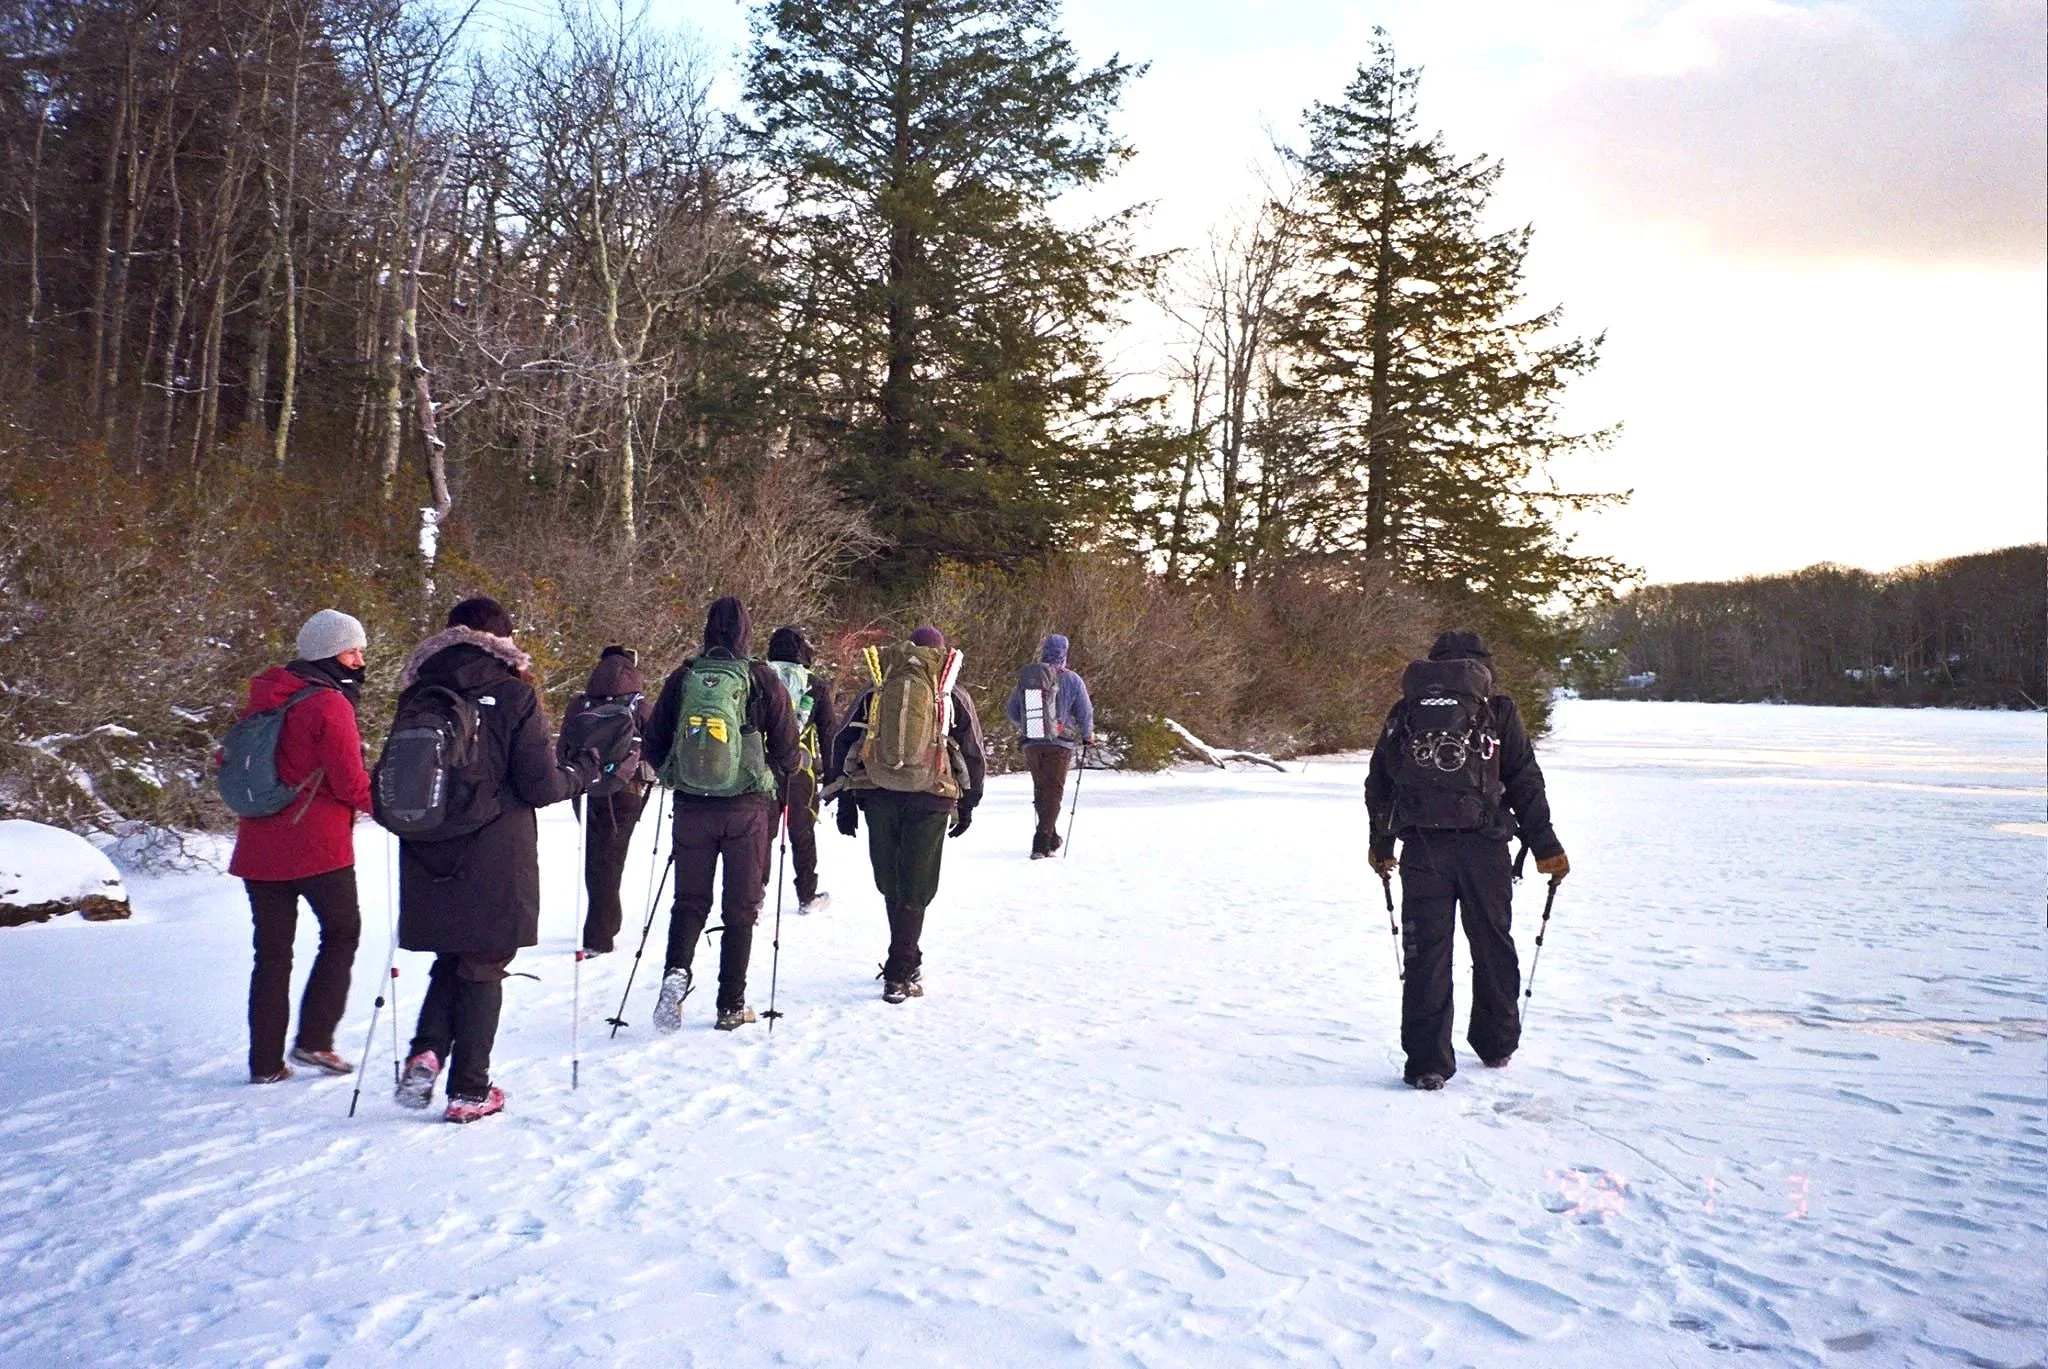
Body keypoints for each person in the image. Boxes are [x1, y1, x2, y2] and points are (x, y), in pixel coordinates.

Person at [389, 597, 599, 1122]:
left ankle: (427, 1051)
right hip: (494, 850)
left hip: (426, 846)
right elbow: (539, 784)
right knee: (483, 963)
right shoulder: (513, 694)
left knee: (451, 956)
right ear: (503, 640)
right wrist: (583, 774)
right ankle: (470, 1090)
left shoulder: (417, 694)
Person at [1365, 630, 1569, 1091]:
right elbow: (1525, 782)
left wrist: (1382, 845)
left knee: (1427, 954)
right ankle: (1496, 1044)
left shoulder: (1406, 711)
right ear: (1483, 666)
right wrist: (1546, 847)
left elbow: (1379, 782)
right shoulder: (1498, 711)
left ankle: (1427, 1063)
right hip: (1486, 849)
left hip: (1422, 850)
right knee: (1492, 945)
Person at [227, 609, 375, 1084]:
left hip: (258, 846)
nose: (359, 660)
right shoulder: (330, 705)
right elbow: (351, 782)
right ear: (329, 653)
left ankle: (265, 1063)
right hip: (317, 847)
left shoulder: (267, 696)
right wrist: (397, 812)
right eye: (352, 651)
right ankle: (315, 1040)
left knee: (271, 955)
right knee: (342, 932)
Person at [641, 597, 800, 1033]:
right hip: (746, 809)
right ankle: (730, 1003)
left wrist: (677, 772)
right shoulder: (761, 678)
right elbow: (788, 750)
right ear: (747, 632)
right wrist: (776, 770)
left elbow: (653, 744)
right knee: (741, 908)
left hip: (691, 807)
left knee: (689, 901)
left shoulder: (684, 677)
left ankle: (676, 974)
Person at [831, 625, 986, 1003]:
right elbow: (973, 753)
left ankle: (905, 957)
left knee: (892, 878)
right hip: (931, 797)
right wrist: (968, 803)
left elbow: (843, 740)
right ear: (939, 654)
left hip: (878, 793)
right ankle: (900, 972)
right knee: (916, 883)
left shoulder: (878, 689)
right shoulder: (951, 695)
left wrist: (845, 800)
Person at [562, 645, 656, 956]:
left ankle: (600, 925)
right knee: (612, 859)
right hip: (626, 791)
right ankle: (599, 935)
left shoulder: (580, 703)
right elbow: (657, 744)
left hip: (585, 790)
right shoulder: (639, 704)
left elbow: (563, 751)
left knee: (595, 856)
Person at [766, 627, 839, 915]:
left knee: (762, 833)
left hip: (764, 768)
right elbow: (829, 733)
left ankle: (755, 895)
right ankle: (807, 895)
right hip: (801, 771)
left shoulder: (760, 677)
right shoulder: (815, 685)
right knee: (802, 832)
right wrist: (832, 778)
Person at [1004, 632, 1095, 858]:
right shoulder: (1072, 679)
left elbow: (1012, 710)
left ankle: (1051, 838)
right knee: (1053, 791)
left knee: (1041, 788)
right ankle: (1041, 841)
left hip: (1032, 742)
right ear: (1065, 653)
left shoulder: (1031, 678)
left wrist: (1026, 725)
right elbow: (1085, 711)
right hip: (1060, 743)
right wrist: (1087, 734)